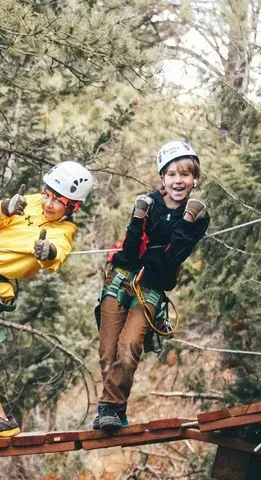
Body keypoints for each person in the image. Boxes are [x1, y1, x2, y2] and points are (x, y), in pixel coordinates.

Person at [0, 161, 94, 438]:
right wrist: (6, 206)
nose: (49, 203)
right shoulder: (32, 202)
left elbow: (58, 256)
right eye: (47, 194)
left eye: (58, 201)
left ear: (73, 207)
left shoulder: (63, 231)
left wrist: (48, 251)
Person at [94, 141, 210, 430]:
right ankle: (114, 409)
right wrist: (137, 218)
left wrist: (186, 218)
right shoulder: (149, 203)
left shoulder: (197, 214)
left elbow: (173, 258)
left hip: (152, 288)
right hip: (121, 277)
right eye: (171, 174)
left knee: (130, 345)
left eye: (184, 174)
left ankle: (109, 407)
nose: (178, 180)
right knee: (108, 351)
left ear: (194, 179)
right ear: (162, 178)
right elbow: (132, 251)